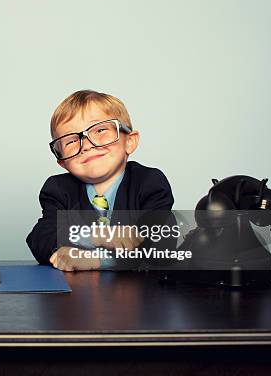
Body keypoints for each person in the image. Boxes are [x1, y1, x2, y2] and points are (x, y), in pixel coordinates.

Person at [26, 90, 175, 271]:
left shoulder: (149, 183)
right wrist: (95, 236)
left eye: (100, 130)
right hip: (79, 295)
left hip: (139, 293)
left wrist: (97, 261)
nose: (87, 145)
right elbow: (41, 237)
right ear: (62, 161)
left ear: (130, 141)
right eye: (71, 141)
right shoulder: (58, 190)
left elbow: (160, 246)